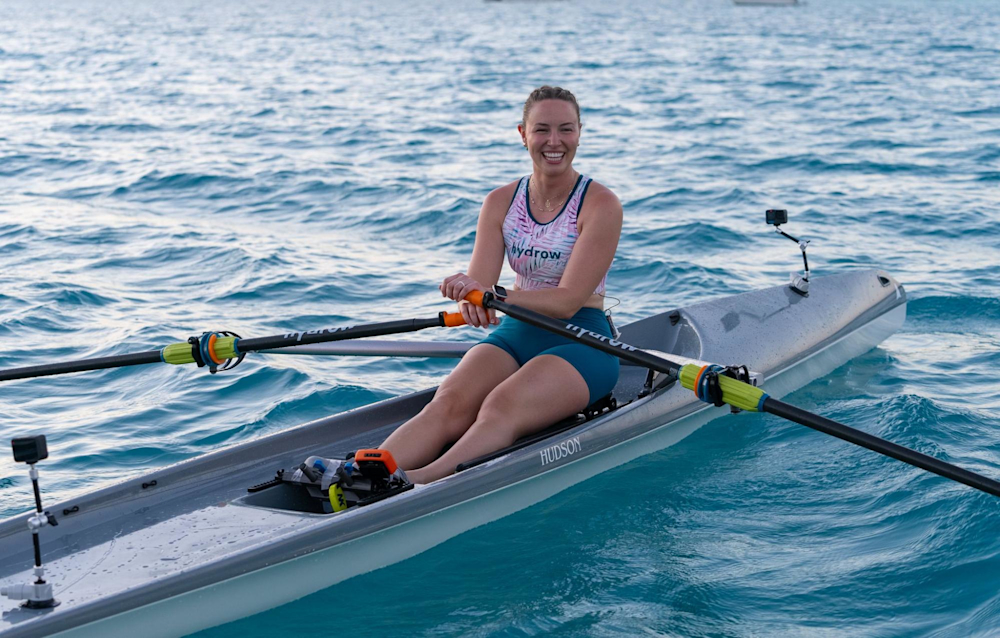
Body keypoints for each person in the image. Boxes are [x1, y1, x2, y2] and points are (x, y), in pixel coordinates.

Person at [380, 86, 623, 484]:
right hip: (517, 333)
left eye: (565, 129)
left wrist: (494, 297)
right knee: (448, 405)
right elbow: (483, 290)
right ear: (522, 134)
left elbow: (567, 301)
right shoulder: (499, 202)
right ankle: (363, 471)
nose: (554, 141)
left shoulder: (601, 204)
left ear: (580, 133)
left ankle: (418, 482)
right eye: (541, 130)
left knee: (500, 406)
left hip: (583, 340)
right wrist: (472, 299)